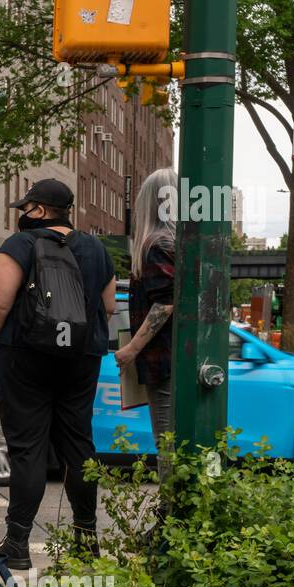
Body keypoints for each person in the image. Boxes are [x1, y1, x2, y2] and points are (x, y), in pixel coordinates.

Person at [0, 179, 116, 569]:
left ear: (39, 211)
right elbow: (108, 307)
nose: (23, 214)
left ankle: (18, 542)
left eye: (27, 208)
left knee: (27, 448)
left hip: (25, 354)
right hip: (81, 355)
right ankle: (86, 538)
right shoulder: (96, 249)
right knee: (78, 444)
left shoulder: (18, 245)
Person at [116, 168, 178, 449]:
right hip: (179, 357)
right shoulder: (179, 243)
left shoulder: (155, 244)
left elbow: (165, 302)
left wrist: (132, 349)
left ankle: (171, 495)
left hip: (163, 361)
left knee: (166, 445)